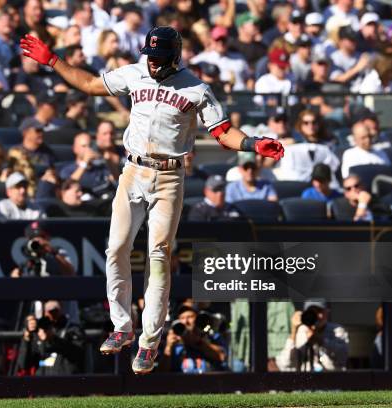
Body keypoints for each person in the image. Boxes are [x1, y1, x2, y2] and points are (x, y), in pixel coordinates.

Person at [20, 25, 284, 374]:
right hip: (133, 171)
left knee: (159, 255)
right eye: (150, 56)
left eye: (160, 58)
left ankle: (149, 342)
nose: (154, 64)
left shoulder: (196, 89)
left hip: (170, 176)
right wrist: (53, 60)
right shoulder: (135, 72)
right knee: (116, 248)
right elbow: (88, 84)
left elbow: (221, 132)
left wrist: (252, 144)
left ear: (175, 57)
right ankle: (122, 326)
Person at [276, 300, 349, 372]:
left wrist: (320, 340)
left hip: (329, 380)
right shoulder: (300, 331)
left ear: (327, 312)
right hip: (305, 381)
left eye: (319, 311)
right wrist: (294, 332)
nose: (316, 316)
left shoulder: (337, 330)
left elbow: (342, 357)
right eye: (312, 312)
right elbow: (284, 365)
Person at [159, 304, 227, 373]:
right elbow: (161, 373)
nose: (186, 322)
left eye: (190, 317)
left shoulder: (210, 336)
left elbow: (222, 356)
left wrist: (199, 342)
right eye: (182, 318)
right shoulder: (174, 342)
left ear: (198, 319)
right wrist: (168, 347)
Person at [59, 132, 113, 198]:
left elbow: (116, 181)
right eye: (84, 146)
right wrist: (85, 162)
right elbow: (68, 185)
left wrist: (109, 161)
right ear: (75, 149)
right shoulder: (67, 170)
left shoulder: (101, 167)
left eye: (90, 145)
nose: (88, 149)